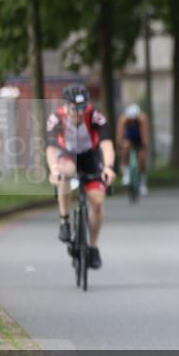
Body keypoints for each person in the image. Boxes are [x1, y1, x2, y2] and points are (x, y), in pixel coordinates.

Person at [45, 85, 116, 269]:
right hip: (67, 154)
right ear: (66, 107)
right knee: (64, 173)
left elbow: (107, 145)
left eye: (82, 108)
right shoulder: (56, 118)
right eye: (74, 109)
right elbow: (51, 149)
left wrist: (108, 167)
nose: (78, 113)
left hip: (90, 155)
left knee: (98, 203)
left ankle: (93, 247)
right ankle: (64, 220)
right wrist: (53, 168)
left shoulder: (95, 116)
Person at [118, 103, 149, 196]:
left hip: (139, 138)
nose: (131, 121)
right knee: (125, 149)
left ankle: (142, 183)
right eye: (130, 119)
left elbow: (145, 134)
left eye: (133, 119)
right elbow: (120, 134)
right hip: (129, 138)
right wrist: (121, 144)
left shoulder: (142, 119)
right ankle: (126, 173)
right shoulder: (123, 119)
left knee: (142, 159)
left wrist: (144, 145)